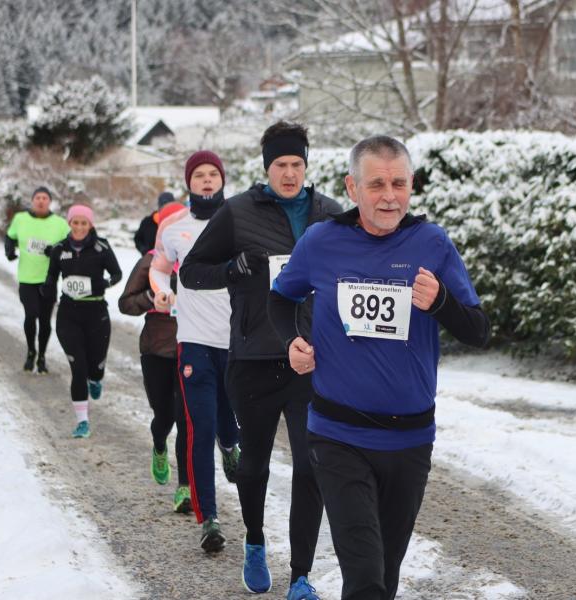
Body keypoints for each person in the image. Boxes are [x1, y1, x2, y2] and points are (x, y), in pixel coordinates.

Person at [268, 135, 490, 600]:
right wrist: (292, 341)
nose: (389, 196)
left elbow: (478, 330)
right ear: (352, 187)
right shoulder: (322, 242)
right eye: (376, 184)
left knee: (385, 576)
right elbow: (279, 298)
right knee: (365, 576)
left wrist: (441, 302)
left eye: (399, 183)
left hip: (410, 440)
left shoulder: (432, 243)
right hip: (337, 434)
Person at [179, 121, 341, 599]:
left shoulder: (330, 215)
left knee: (311, 467)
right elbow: (191, 273)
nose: (289, 173)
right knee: (254, 468)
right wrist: (232, 269)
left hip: (309, 361)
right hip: (252, 359)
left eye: (296, 164)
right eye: (280, 165)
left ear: (306, 166)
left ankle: (301, 576)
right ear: (266, 167)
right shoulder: (237, 213)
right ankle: (254, 540)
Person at [150, 151, 241, 554]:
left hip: (238, 341)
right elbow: (158, 267)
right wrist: (161, 288)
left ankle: (230, 444)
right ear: (189, 182)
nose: (207, 181)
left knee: (228, 421)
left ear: (222, 180)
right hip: (194, 340)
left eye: (213, 174)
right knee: (199, 428)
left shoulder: (240, 220)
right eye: (199, 175)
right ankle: (209, 519)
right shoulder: (173, 227)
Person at [119, 202, 193, 513]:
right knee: (163, 418)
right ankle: (159, 445)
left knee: (185, 420)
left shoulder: (200, 260)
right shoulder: (150, 262)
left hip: (191, 348)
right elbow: (125, 303)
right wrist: (151, 297)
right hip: (155, 349)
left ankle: (185, 488)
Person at [45, 205, 122, 438]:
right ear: (69, 223)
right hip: (68, 314)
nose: (79, 227)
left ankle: (96, 378)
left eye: (83, 223)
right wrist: (48, 286)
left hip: (96, 313)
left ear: (90, 225)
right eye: (75, 222)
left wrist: (103, 285)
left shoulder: (102, 247)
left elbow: (117, 274)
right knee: (78, 369)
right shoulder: (60, 249)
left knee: (95, 365)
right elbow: (51, 275)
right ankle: (82, 422)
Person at [5, 187, 70, 374]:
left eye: (45, 198)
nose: (41, 201)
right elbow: (10, 237)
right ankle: (30, 351)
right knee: (30, 314)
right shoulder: (20, 219)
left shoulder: (59, 223)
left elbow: (68, 244)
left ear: (50, 202)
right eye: (37, 198)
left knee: (45, 320)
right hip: (27, 278)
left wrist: (56, 251)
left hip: (49, 279)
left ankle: (41, 355)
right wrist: (9, 251)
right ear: (32, 201)